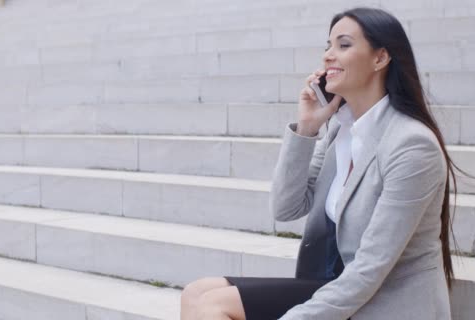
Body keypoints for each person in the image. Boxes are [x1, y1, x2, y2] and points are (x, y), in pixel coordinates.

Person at [180, 7, 459, 320]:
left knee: (214, 306)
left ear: (380, 58)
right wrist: (308, 127)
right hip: (336, 283)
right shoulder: (341, 128)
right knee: (197, 293)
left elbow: (371, 268)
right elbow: (286, 208)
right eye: (327, 46)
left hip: (386, 299)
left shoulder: (411, 145)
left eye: (343, 45)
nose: (328, 55)